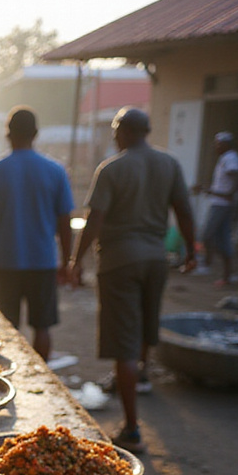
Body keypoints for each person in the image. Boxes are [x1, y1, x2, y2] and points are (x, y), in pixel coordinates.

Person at [69, 107, 195, 453]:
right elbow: (184, 210)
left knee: (122, 340)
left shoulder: (113, 168)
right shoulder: (169, 164)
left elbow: (94, 219)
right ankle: (139, 375)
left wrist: (75, 261)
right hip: (156, 259)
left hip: (119, 262)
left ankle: (132, 428)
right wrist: (193, 251)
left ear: (120, 132)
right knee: (144, 324)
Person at [0, 107, 73, 363]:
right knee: (42, 326)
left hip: (6, 260)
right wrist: (67, 261)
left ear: (8, 134)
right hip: (43, 261)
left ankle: (11, 378)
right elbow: (65, 221)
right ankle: (42, 378)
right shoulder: (55, 170)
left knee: (6, 326)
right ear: (35, 134)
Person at [195, 131, 238, 287]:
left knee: (207, 234)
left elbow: (235, 176)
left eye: (218, 144)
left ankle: (207, 264)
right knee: (223, 239)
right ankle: (228, 275)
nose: (216, 147)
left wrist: (229, 193)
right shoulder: (225, 158)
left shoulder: (230, 158)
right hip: (220, 202)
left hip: (222, 204)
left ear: (226, 144)